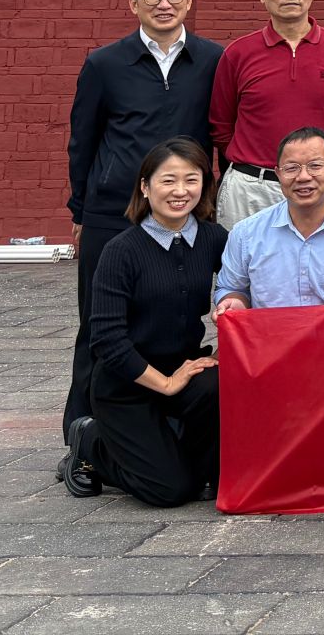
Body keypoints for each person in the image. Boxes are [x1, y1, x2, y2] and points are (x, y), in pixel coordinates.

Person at [62, 0, 223, 437]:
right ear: (134, 4)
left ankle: (165, 420)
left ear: (189, 1)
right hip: (112, 211)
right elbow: (82, 141)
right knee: (98, 323)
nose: (163, 4)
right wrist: (81, 210)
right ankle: (84, 431)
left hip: (181, 209)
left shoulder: (213, 60)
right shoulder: (105, 64)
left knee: (174, 315)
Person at [59, 138, 226, 505]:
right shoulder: (121, 251)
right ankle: (91, 442)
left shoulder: (214, 239)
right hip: (127, 384)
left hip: (185, 372)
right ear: (145, 187)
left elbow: (246, 286)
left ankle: (174, 456)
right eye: (168, 180)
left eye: (191, 179)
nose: (180, 191)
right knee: (170, 490)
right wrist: (165, 383)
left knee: (207, 474)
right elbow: (107, 339)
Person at [209, 0, 324, 229]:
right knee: (241, 258)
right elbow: (221, 126)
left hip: (314, 186)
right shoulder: (238, 53)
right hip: (250, 189)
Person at [212, 129, 324, 311]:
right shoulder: (246, 233)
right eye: (291, 168)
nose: (303, 177)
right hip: (271, 329)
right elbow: (230, 288)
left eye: (315, 166)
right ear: (278, 174)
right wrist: (234, 302)